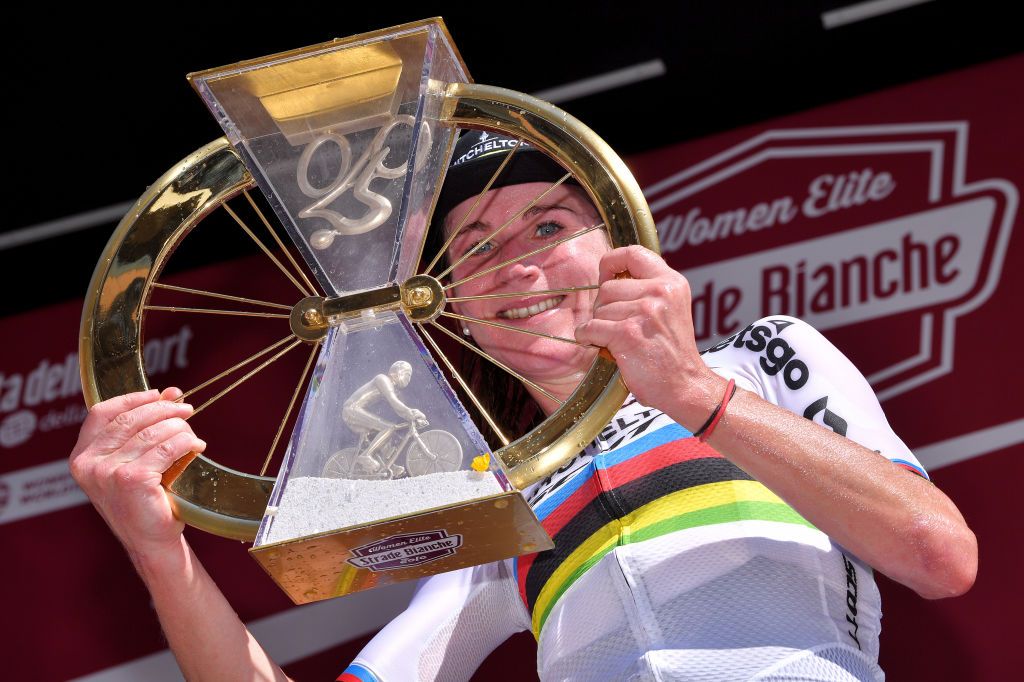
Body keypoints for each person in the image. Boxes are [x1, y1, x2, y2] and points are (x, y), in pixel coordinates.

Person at [69, 130, 977, 681]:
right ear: (452, 304)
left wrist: (693, 394)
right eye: (474, 246)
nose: (517, 265)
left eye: (547, 226)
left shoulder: (765, 359)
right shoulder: (499, 497)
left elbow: (937, 553)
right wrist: (160, 552)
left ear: (616, 245)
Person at [340, 360, 425, 478]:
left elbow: (398, 408)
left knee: (386, 434)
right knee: (388, 428)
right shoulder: (383, 379)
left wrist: (410, 415)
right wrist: (411, 412)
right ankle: (365, 456)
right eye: (407, 374)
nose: (408, 378)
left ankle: (387, 465)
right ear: (396, 371)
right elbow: (394, 401)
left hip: (355, 412)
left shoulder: (392, 387)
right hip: (351, 410)